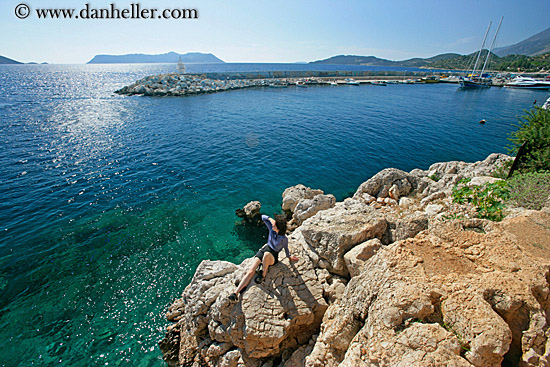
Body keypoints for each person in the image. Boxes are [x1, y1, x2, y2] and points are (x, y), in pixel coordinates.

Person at [228, 214, 299, 301]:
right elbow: (262, 217)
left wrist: (289, 257)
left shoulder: (283, 239)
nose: (273, 225)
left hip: (272, 256)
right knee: (250, 270)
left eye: (275, 225)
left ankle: (263, 274)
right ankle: (235, 293)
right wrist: (271, 219)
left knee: (266, 255)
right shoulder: (272, 229)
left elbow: (286, 249)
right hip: (265, 249)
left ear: (279, 229)